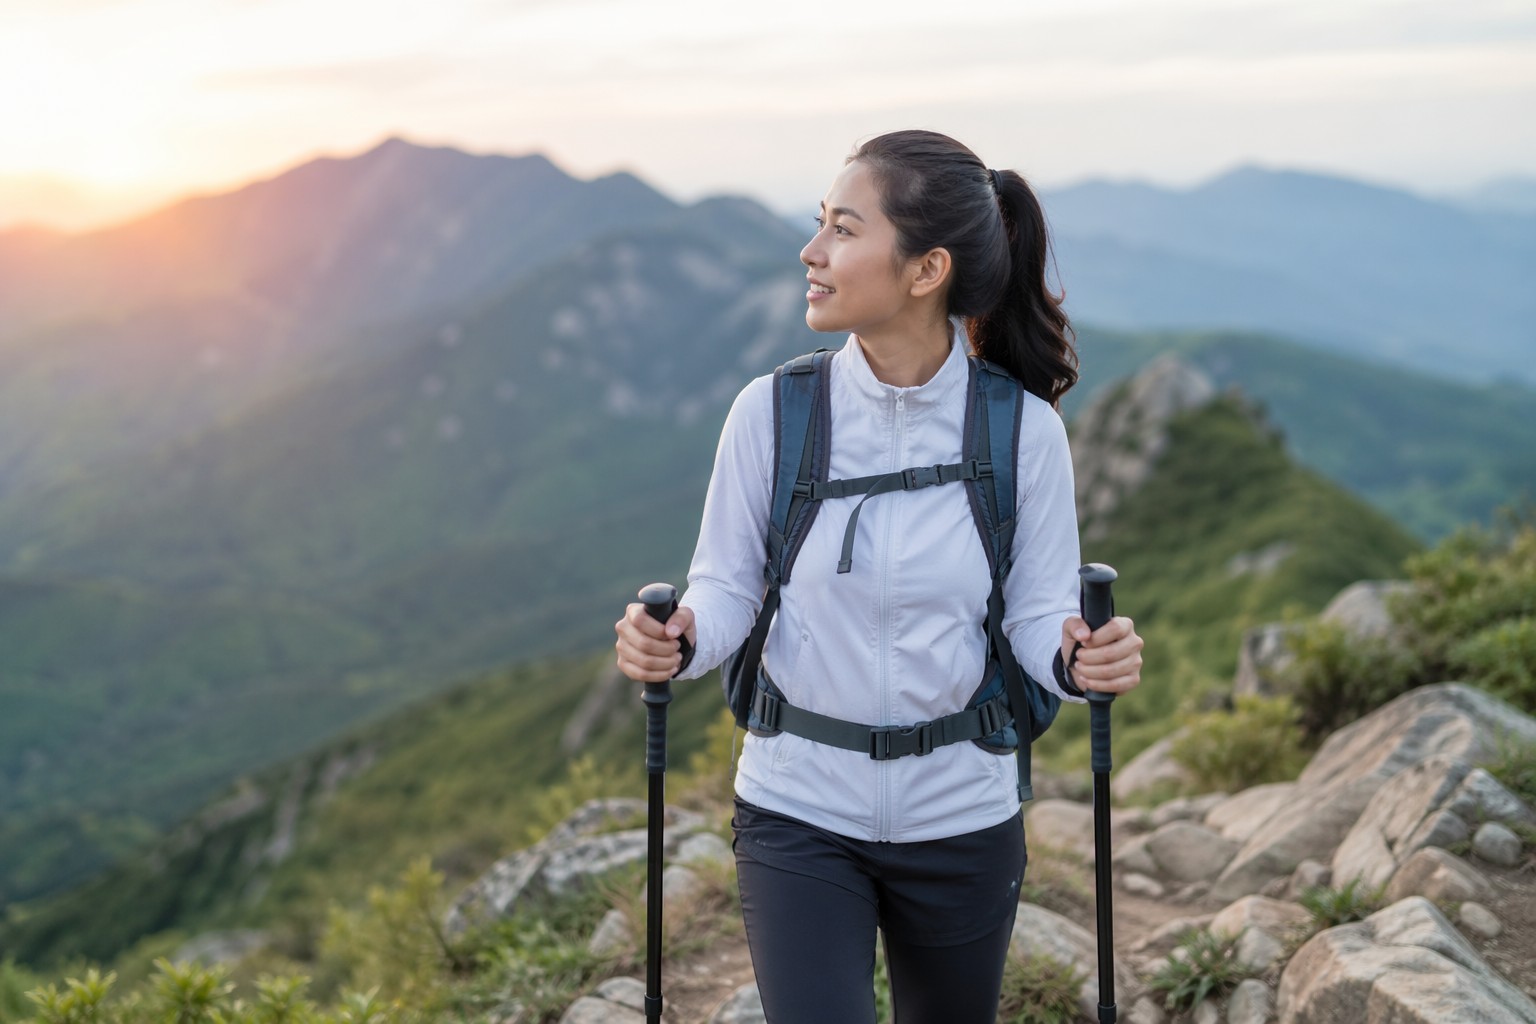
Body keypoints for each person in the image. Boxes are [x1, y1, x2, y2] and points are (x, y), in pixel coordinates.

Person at [615, 129, 1144, 1024]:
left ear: (925, 269)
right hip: (797, 807)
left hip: (964, 814)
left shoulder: (1020, 433)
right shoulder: (772, 415)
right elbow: (731, 587)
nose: (811, 252)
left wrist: (1076, 657)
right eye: (820, 224)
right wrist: (682, 638)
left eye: (843, 231)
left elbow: (1038, 612)